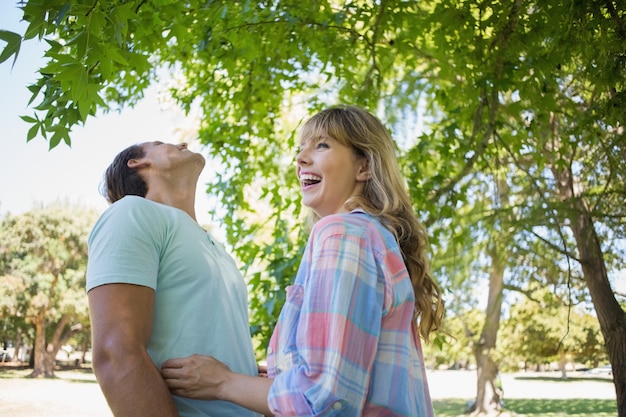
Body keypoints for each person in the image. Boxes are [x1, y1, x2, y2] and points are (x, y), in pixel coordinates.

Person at [160, 106, 445, 416]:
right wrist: (280, 378)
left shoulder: (342, 234)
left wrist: (222, 382)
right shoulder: (371, 235)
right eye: (301, 149)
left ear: (364, 167)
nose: (301, 159)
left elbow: (322, 399)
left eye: (321, 145)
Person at [86, 141, 262, 417]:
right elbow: (114, 352)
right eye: (159, 143)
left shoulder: (217, 248)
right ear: (137, 163)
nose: (182, 143)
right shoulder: (131, 212)